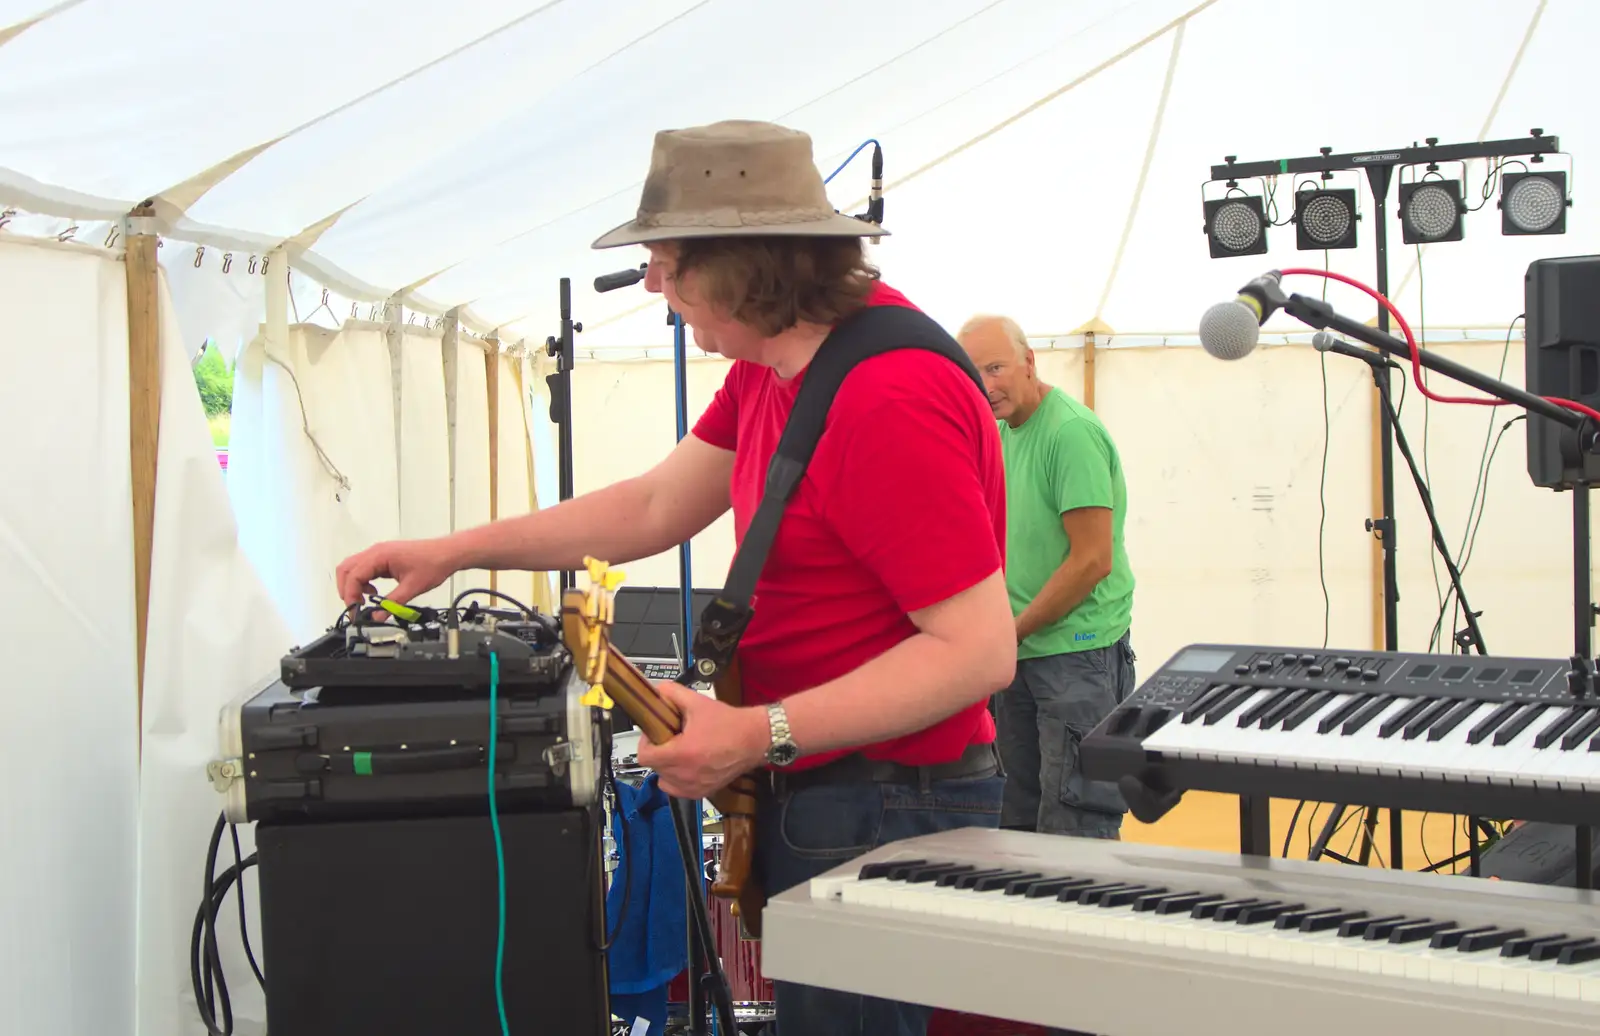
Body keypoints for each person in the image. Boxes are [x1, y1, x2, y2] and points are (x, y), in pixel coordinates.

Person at [336, 120, 1015, 1036]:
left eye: (663, 260)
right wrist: (455, 550)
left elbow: (977, 653)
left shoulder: (885, 397)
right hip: (830, 785)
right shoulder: (781, 362)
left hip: (884, 798)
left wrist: (755, 731)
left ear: (743, 269)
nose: (652, 284)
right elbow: (656, 504)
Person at [956, 315, 1137, 840]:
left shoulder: (1070, 433)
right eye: (973, 374)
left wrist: (1009, 633)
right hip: (1018, 654)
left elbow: (1091, 561)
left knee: (1075, 827)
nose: (985, 386)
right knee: (1013, 819)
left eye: (996, 368)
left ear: (1029, 362)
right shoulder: (997, 433)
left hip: (1076, 656)